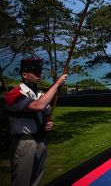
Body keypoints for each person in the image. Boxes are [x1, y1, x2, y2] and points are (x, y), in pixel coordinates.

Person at [4, 57, 67, 186]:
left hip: (41, 141)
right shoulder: (15, 94)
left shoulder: (40, 94)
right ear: (25, 75)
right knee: (21, 182)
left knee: (35, 181)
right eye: (36, 71)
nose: (39, 74)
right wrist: (56, 84)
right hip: (25, 143)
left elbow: (45, 116)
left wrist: (48, 124)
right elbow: (38, 106)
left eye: (40, 71)